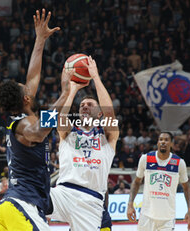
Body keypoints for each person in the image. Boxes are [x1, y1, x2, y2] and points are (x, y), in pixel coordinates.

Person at [0, 9, 69, 231]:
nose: (27, 84)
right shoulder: (24, 125)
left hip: (11, 207)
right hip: (21, 206)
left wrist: (40, 39)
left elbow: (33, 75)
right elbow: (39, 131)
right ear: (26, 98)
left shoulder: (20, 116)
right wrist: (65, 94)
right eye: (24, 87)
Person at [47, 56, 119, 230]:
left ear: (99, 113)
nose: (85, 106)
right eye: (82, 105)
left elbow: (110, 115)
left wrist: (95, 77)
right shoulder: (69, 132)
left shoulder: (107, 136)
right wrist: (72, 89)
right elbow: (60, 117)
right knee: (25, 201)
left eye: (90, 104)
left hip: (90, 200)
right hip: (62, 193)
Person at [127, 132, 190, 231]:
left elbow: (186, 188)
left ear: (171, 144)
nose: (163, 142)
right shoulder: (146, 159)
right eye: (161, 139)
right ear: (157, 143)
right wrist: (130, 204)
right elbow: (136, 182)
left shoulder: (179, 163)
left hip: (167, 218)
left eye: (166, 140)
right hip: (146, 216)